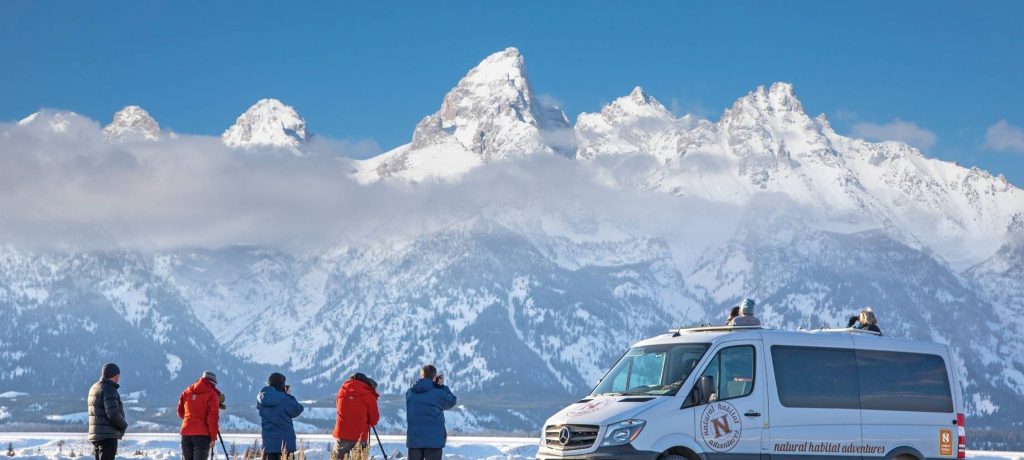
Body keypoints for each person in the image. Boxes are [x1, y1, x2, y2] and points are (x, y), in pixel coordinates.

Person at [406, 365, 457, 460]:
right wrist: (441, 387)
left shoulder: (410, 392)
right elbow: (452, 401)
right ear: (434, 377)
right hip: (433, 440)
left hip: (414, 439)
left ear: (421, 376)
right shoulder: (438, 392)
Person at [331, 373, 380, 460]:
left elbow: (339, 408)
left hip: (342, 435)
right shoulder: (368, 394)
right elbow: (374, 420)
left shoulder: (341, 391)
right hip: (360, 437)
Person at [258, 373, 305, 460]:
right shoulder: (284, 398)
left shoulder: (262, 398)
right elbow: (297, 409)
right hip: (285, 445)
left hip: (268, 446)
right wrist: (288, 395)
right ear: (281, 384)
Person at [177, 371, 221, 460]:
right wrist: (213, 438)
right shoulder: (212, 394)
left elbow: (180, 412)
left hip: (186, 433)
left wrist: (190, 419)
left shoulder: (187, 391)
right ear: (213, 382)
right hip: (202, 436)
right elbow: (213, 418)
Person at [88, 363, 128, 460]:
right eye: (118, 375)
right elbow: (112, 413)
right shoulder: (109, 389)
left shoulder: (94, 387)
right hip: (107, 435)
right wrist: (123, 425)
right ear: (115, 375)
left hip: (96, 435)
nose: (119, 377)